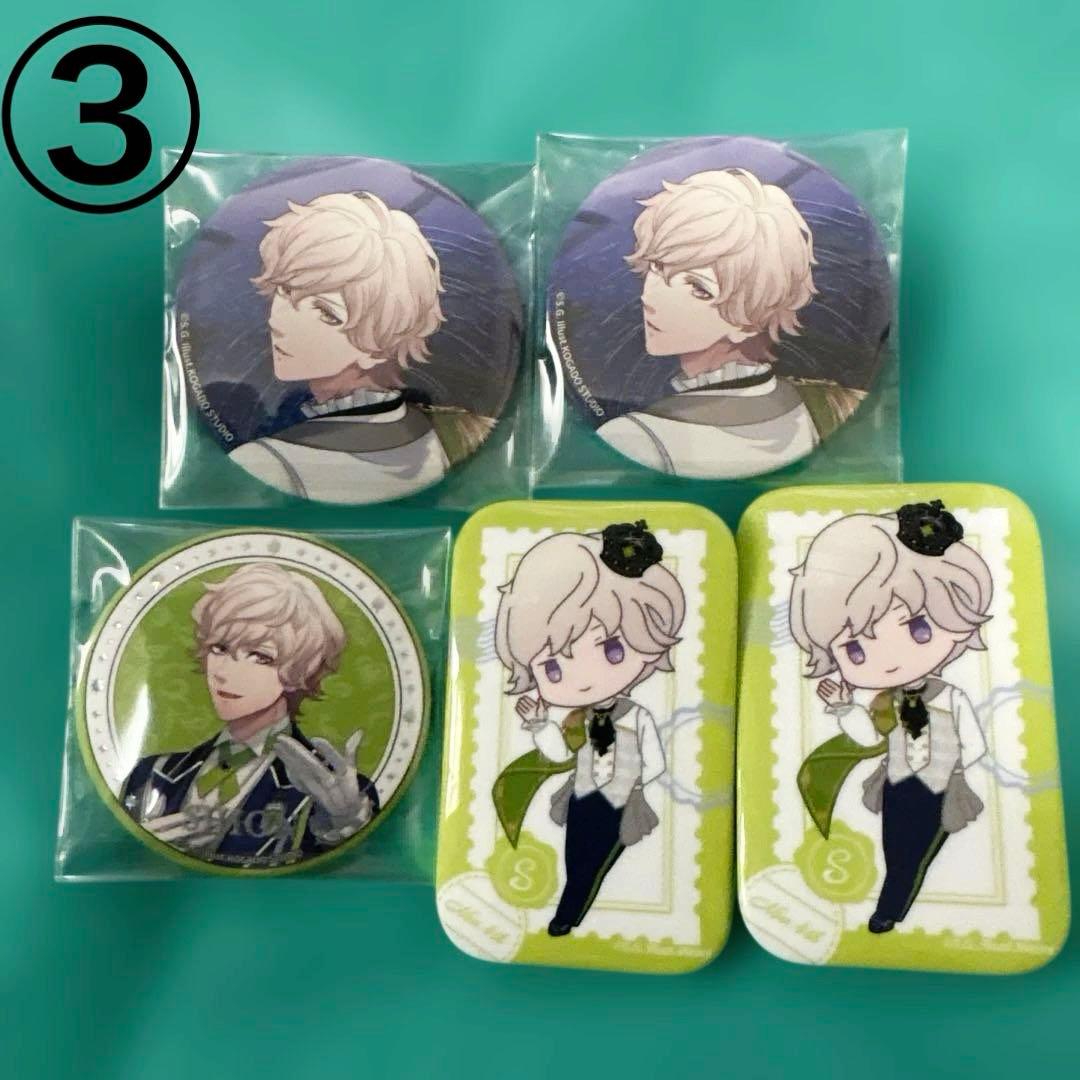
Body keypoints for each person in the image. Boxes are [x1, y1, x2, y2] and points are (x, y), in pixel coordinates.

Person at [789, 500, 994, 933]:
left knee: (920, 851)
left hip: (941, 788)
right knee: (896, 850)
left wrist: (954, 769)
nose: (889, 660)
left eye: (919, 629)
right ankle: (895, 903)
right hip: (897, 786)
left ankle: (890, 910)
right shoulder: (884, 701)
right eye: (854, 650)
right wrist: (843, 707)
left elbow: (975, 743)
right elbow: (870, 738)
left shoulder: (952, 695)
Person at [597, 168, 863, 479]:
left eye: (698, 288)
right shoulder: (827, 407)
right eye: (658, 266)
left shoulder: (637, 437)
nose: (650, 297)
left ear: (750, 321)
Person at [228, 191, 492, 503]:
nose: (278, 322)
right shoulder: (455, 433)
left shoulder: (268, 461)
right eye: (286, 290)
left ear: (379, 345)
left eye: (326, 313)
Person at [491, 521, 685, 935]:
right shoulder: (575, 719)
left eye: (612, 649)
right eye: (552, 668)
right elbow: (560, 755)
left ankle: (568, 915)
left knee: (598, 860)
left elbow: (655, 761)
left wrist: (632, 782)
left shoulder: (636, 715)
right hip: (581, 798)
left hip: (620, 802)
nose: (581, 681)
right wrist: (540, 725)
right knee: (575, 858)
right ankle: (571, 910)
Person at [121, 563, 378, 868]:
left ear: (302, 669)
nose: (225, 673)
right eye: (219, 648)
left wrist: (343, 820)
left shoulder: (335, 793)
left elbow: (338, 861)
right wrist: (144, 849)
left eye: (259, 656)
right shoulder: (149, 774)